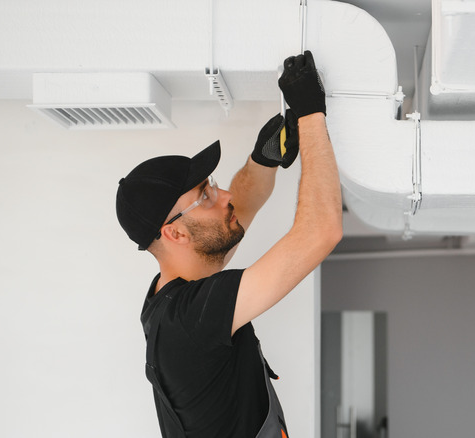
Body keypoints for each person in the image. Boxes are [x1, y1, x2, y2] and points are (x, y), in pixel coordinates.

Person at [115, 51, 342, 438]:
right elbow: (321, 231)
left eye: (212, 185)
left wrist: (263, 159)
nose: (223, 198)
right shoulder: (191, 319)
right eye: (205, 195)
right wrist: (310, 114)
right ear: (175, 233)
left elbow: (239, 207)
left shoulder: (172, 297)